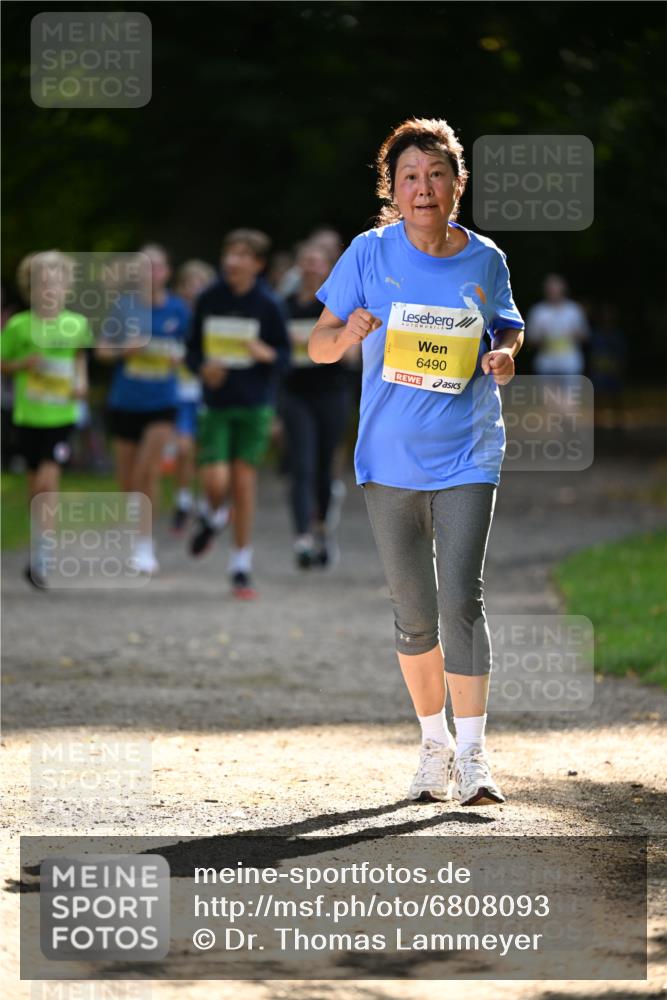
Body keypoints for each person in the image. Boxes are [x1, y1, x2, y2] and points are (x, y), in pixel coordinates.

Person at [309, 117, 525, 806]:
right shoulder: (368, 255)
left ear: (457, 185)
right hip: (388, 459)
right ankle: (432, 745)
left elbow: (507, 324)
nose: (423, 187)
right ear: (392, 189)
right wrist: (346, 331)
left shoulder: (485, 258)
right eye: (409, 176)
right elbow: (316, 344)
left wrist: (504, 355)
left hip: (467, 451)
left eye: (435, 174)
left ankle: (474, 755)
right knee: (413, 612)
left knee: (462, 599)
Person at [185, 229, 290, 599]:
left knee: (243, 483)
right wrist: (202, 368)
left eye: (243, 255)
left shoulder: (269, 304)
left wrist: (268, 354)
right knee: (215, 482)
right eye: (229, 253)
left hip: (254, 405)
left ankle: (240, 565)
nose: (232, 261)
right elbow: (191, 349)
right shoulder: (209, 298)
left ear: (257, 264)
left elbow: (286, 357)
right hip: (216, 404)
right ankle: (215, 516)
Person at [96, 244, 190, 573]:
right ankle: (134, 535)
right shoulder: (123, 308)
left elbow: (195, 351)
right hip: (125, 403)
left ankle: (144, 546)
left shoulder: (179, 310)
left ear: (166, 272)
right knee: (127, 480)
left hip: (163, 402)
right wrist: (126, 348)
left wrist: (182, 358)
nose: (151, 273)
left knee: (146, 471)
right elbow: (102, 351)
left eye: (157, 266)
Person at [0, 251, 92, 587]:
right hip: (28, 415)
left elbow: (79, 358)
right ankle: (38, 541)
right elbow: (2, 361)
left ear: (67, 286)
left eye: (56, 280)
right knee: (34, 486)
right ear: (31, 286)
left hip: (62, 415)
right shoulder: (19, 325)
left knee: (46, 482)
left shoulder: (77, 324)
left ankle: (45, 553)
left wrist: (81, 383)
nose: (50, 286)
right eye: (43, 281)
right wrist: (22, 365)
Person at [279, 240, 351, 568]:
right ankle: (302, 538)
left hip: (332, 394)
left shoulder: (341, 306)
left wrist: (321, 340)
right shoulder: (283, 306)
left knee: (324, 468)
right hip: (295, 395)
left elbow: (354, 354)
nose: (310, 268)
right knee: (301, 466)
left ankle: (322, 529)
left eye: (317, 262)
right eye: (305, 262)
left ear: (328, 268)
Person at [170, 259, 217, 533]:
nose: (194, 289)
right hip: (179, 393)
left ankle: (202, 502)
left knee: (204, 451)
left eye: (200, 284)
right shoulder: (174, 316)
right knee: (184, 447)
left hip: (205, 393)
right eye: (189, 284)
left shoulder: (213, 317)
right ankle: (183, 499)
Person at [526, 274, 589, 387]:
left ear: (563, 289)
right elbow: (529, 340)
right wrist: (543, 340)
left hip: (570, 364)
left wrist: (573, 335)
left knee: (569, 401)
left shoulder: (574, 310)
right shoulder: (538, 311)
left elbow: (585, 335)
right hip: (546, 364)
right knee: (548, 402)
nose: (553, 291)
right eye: (550, 289)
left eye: (556, 288)